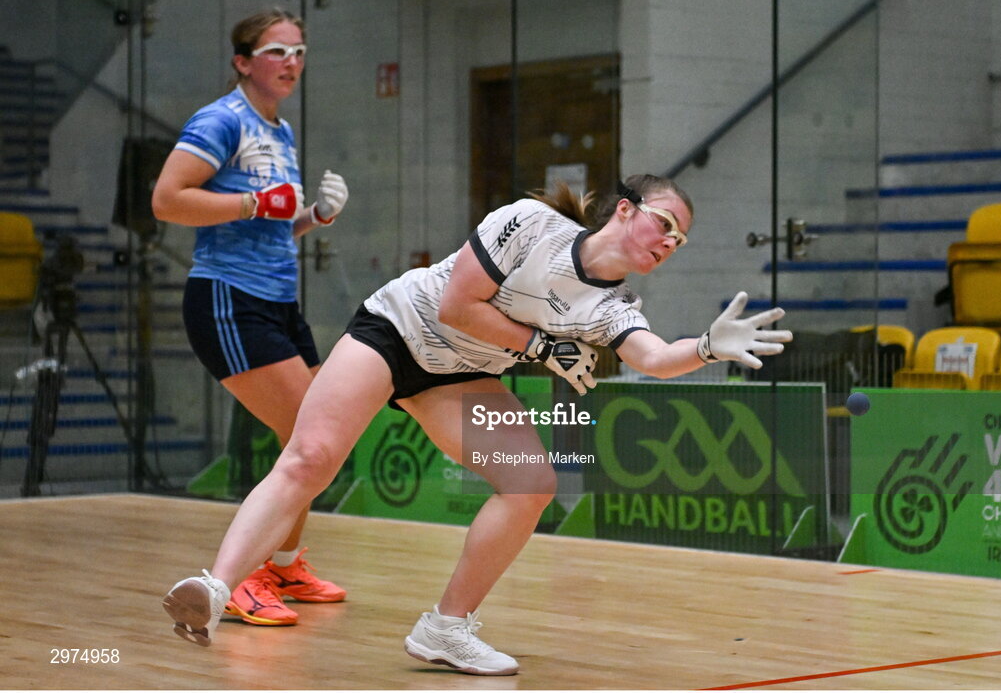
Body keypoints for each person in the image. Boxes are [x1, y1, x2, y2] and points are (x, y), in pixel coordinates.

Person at [161, 174, 792, 674]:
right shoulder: (528, 223)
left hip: (457, 376)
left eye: (677, 241)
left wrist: (707, 345)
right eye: (664, 224)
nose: (667, 242)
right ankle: (215, 590)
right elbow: (458, 305)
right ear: (624, 211)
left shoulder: (609, 307)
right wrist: (545, 349)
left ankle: (445, 629)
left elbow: (653, 358)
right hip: (399, 330)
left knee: (531, 484)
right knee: (311, 458)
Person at [152, 8, 349, 628]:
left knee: (320, 437)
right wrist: (254, 199)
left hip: (278, 302)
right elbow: (168, 200)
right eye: (276, 52)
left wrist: (310, 217)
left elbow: (268, 224)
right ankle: (243, 580)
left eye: (298, 52)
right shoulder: (221, 120)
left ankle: (287, 564)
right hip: (227, 301)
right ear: (243, 62)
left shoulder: (280, 130)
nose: (291, 63)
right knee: (307, 437)